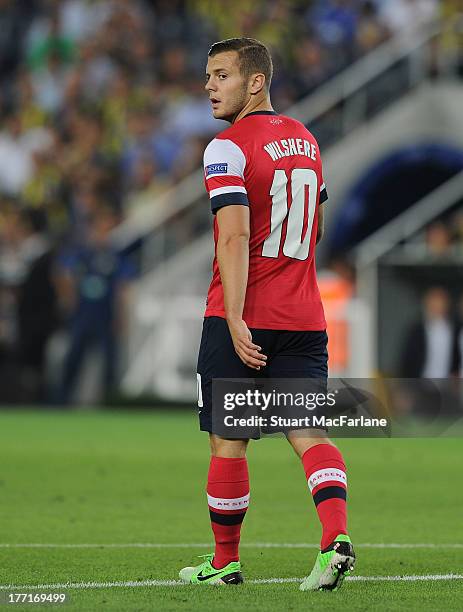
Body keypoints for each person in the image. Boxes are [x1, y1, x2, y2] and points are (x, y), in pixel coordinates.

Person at [179, 38, 355, 591]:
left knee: (229, 441)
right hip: (304, 316)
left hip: (244, 317)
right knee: (307, 432)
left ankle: (225, 561)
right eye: (208, 75)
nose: (209, 85)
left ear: (255, 82)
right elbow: (316, 229)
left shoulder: (225, 146)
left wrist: (233, 317)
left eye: (222, 75)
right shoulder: (307, 140)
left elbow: (231, 235)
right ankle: (335, 541)